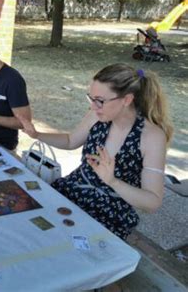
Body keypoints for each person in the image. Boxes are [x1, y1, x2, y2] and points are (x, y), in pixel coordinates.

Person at [18, 64, 172, 240]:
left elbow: (152, 202)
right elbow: (70, 141)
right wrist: (37, 134)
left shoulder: (151, 136)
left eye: (100, 100)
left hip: (108, 213)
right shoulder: (98, 115)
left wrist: (112, 181)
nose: (93, 106)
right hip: (72, 191)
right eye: (91, 99)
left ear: (126, 100)